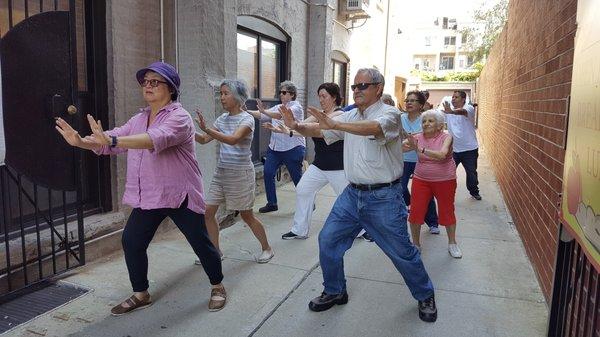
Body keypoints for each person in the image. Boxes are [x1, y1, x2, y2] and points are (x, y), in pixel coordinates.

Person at [55, 62, 226, 314]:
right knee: (132, 241)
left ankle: (217, 285)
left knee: (201, 243)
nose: (147, 85)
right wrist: (81, 142)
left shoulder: (180, 117)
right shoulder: (139, 118)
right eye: (145, 81)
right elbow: (111, 140)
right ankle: (141, 293)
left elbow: (154, 139)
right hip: (151, 195)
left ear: (171, 89)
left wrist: (112, 139)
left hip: (180, 194)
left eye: (154, 82)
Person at [280, 68, 437, 322]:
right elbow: (322, 132)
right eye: (354, 87)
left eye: (363, 86)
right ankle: (334, 290)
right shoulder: (351, 114)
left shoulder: (390, 115)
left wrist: (335, 122)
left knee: (402, 252)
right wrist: (295, 126)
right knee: (328, 241)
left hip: (384, 197)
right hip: (352, 195)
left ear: (378, 88)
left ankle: (425, 294)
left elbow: (374, 128)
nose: (357, 90)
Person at [194, 79, 274, 263]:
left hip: (240, 174)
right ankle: (215, 252)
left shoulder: (247, 119)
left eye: (225, 93)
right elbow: (204, 139)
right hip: (221, 173)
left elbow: (232, 139)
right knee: (207, 213)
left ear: (238, 97)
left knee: (247, 216)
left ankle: (267, 248)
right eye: (220, 93)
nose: (221, 97)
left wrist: (207, 129)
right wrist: (186, 129)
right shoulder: (222, 119)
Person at [264, 83, 347, 240]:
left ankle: (363, 230)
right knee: (303, 189)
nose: (321, 100)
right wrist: (286, 130)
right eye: (319, 96)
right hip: (320, 165)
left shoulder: (339, 115)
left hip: (339, 167)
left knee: (348, 199)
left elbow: (315, 128)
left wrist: (294, 126)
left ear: (334, 97)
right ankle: (299, 230)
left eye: (324, 96)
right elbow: (302, 127)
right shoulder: (319, 113)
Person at [404, 109, 462, 258]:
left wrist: (419, 148)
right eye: (424, 121)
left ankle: (452, 243)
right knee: (416, 212)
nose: (426, 124)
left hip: (445, 180)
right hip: (421, 180)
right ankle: (416, 244)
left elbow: (442, 155)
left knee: (447, 210)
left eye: (430, 121)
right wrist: (399, 142)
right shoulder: (417, 137)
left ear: (439, 125)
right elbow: (399, 148)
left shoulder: (446, 137)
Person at [247, 81, 306, 213]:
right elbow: (262, 115)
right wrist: (247, 111)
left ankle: (308, 203)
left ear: (292, 94)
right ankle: (272, 203)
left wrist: (264, 111)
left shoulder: (296, 107)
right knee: (268, 173)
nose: (281, 94)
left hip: (293, 148)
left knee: (297, 179)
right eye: (280, 92)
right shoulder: (279, 106)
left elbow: (281, 115)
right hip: (275, 149)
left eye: (284, 92)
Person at [401, 91, 440, 234]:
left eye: (413, 101)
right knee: (400, 187)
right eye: (407, 100)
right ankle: (411, 205)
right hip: (403, 159)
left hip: (421, 160)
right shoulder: (400, 118)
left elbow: (431, 139)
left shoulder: (426, 120)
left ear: (421, 105)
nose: (409, 103)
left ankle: (433, 222)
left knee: (426, 193)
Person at [442, 91, 481, 200]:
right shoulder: (447, 112)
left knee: (471, 173)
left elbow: (462, 111)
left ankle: (474, 191)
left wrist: (451, 112)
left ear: (463, 99)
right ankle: (446, 192)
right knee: (448, 172)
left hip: (470, 149)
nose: (453, 99)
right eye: (453, 97)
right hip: (454, 150)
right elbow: (436, 116)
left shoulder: (469, 109)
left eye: (456, 97)